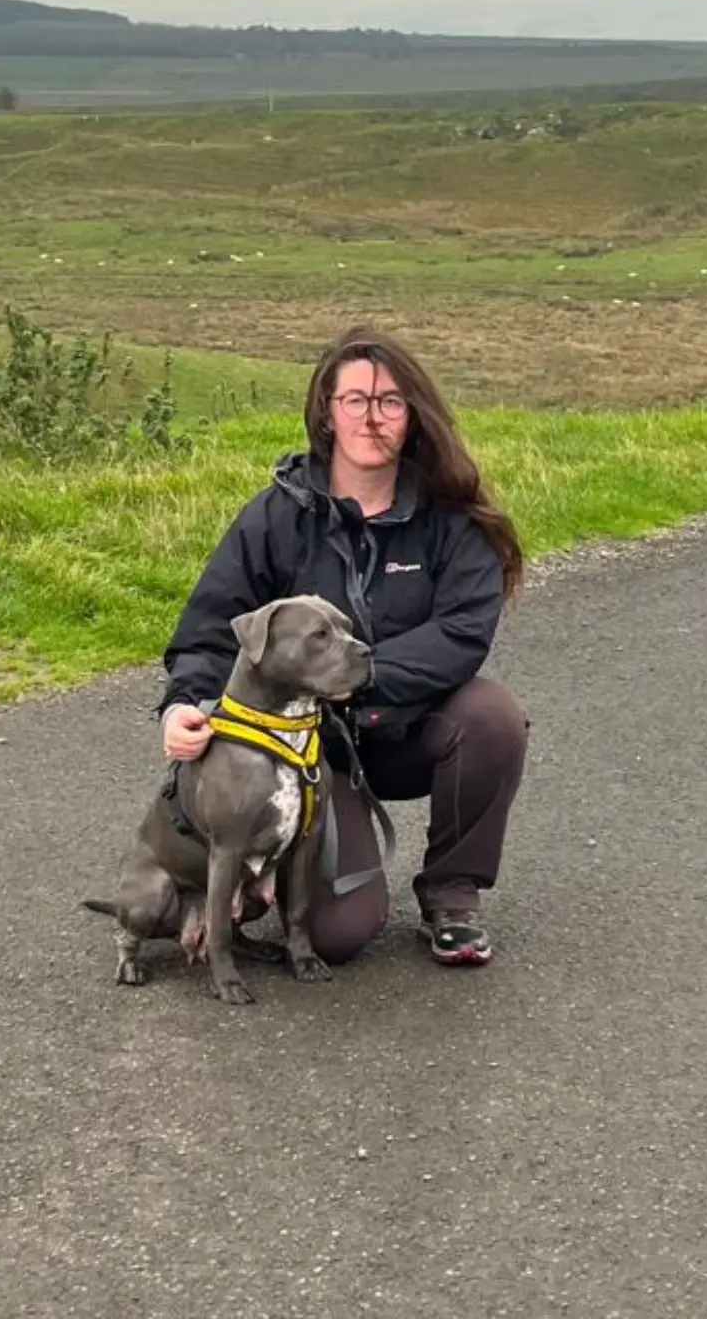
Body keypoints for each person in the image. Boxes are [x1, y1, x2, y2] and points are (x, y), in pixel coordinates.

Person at [155, 324, 530, 967]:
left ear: (413, 417)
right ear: (327, 414)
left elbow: (463, 633)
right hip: (308, 755)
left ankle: (452, 893)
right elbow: (214, 628)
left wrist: (357, 675)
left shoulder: (451, 520)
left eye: (390, 402)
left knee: (492, 718)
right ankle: (257, 871)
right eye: (354, 399)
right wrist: (185, 702)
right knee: (340, 935)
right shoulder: (277, 517)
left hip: (411, 729)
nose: (372, 417)